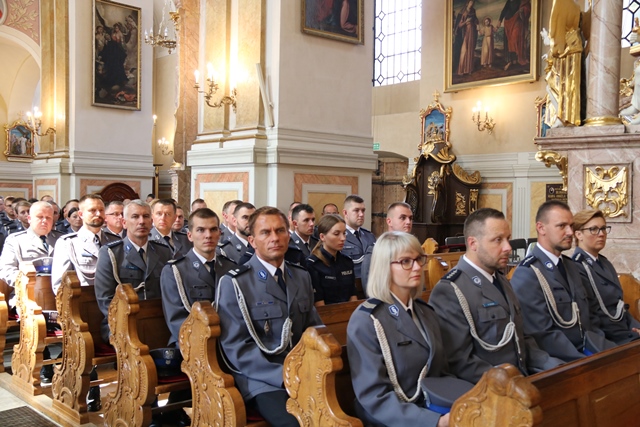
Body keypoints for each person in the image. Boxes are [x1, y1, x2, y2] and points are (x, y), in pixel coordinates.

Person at [348, 231, 471, 427]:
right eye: (405, 261)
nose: (417, 267)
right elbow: (374, 398)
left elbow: (441, 374)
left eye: (419, 259)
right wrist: (434, 422)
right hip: (394, 419)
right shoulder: (367, 320)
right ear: (384, 267)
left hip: (433, 407)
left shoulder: (426, 312)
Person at [429, 208, 563, 384]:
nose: (508, 247)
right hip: (491, 389)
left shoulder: (500, 280)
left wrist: (553, 365)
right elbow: (460, 362)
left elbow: (521, 339)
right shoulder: (450, 290)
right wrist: (511, 383)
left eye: (508, 238)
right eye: (498, 240)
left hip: (521, 379)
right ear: (473, 243)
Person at [217, 207, 322, 427]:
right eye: (265, 232)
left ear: (288, 235)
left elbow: (313, 329)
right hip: (262, 378)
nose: (275, 238)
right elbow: (236, 347)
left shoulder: (301, 276)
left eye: (280, 230)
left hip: (302, 371)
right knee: (294, 424)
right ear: (252, 241)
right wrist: (283, 376)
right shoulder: (235, 283)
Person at [511, 201, 616, 361]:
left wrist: (604, 348)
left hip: (589, 349)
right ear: (541, 228)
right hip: (562, 359)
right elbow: (542, 335)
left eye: (571, 226)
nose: (570, 232)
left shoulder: (571, 266)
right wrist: (581, 359)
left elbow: (590, 316)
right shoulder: (528, 273)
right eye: (562, 226)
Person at [50, 194, 120, 411]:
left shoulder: (115, 241)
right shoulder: (68, 243)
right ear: (81, 214)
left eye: (101, 210)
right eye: (92, 210)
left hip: (111, 308)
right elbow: (59, 284)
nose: (98, 214)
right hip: (83, 310)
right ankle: (88, 389)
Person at [94, 200, 173, 343]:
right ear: (124, 223)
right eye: (135, 217)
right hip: (122, 322)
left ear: (151, 222)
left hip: (158, 320)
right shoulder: (111, 253)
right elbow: (105, 299)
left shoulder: (164, 251)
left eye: (146, 216)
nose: (141, 221)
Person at [161, 208, 237, 347]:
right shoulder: (175, 271)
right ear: (190, 235)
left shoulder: (229, 267)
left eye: (213, 230)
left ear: (219, 233)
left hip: (229, 342)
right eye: (201, 230)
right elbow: (176, 320)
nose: (208, 235)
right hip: (191, 343)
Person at [571, 210, 640, 344]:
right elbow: (590, 316)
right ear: (578, 234)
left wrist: (636, 327)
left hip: (626, 333)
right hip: (609, 340)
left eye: (603, 228)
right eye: (594, 229)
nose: (601, 234)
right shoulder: (577, 267)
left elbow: (620, 306)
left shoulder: (605, 263)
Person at [544, 0, 584, 127]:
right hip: (574, 46)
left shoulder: (560, 2)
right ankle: (566, 117)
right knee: (570, 84)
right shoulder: (576, 7)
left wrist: (551, 44)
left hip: (564, 51)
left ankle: (562, 117)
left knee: (554, 83)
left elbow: (555, 29)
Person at [361, 202, 414, 294]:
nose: (408, 222)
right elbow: (371, 291)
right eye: (403, 218)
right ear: (389, 221)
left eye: (410, 218)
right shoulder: (375, 253)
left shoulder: (413, 251)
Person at [306, 214, 356, 306]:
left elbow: (353, 296)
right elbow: (319, 303)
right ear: (322, 237)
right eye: (336, 234)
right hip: (326, 313)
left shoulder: (347, 262)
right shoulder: (313, 264)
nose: (343, 238)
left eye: (344, 233)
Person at [341, 195, 376, 281]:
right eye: (356, 210)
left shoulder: (369, 236)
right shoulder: (339, 236)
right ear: (345, 213)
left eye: (363, 210)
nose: (361, 214)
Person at [498, 0, 531, 70]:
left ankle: (519, 57)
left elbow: (527, 6)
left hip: (517, 20)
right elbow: (504, 10)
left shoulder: (520, 1)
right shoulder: (509, 1)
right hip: (508, 23)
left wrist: (523, 10)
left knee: (515, 38)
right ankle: (512, 60)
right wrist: (499, 20)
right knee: (509, 41)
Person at [455, 0, 479, 76]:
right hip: (465, 33)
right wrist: (466, 22)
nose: (472, 4)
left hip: (472, 32)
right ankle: (461, 70)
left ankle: (469, 69)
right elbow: (459, 25)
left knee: (470, 50)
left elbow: (475, 20)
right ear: (467, 3)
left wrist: (477, 24)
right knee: (464, 50)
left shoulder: (473, 11)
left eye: (473, 3)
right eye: (471, 2)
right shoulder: (463, 12)